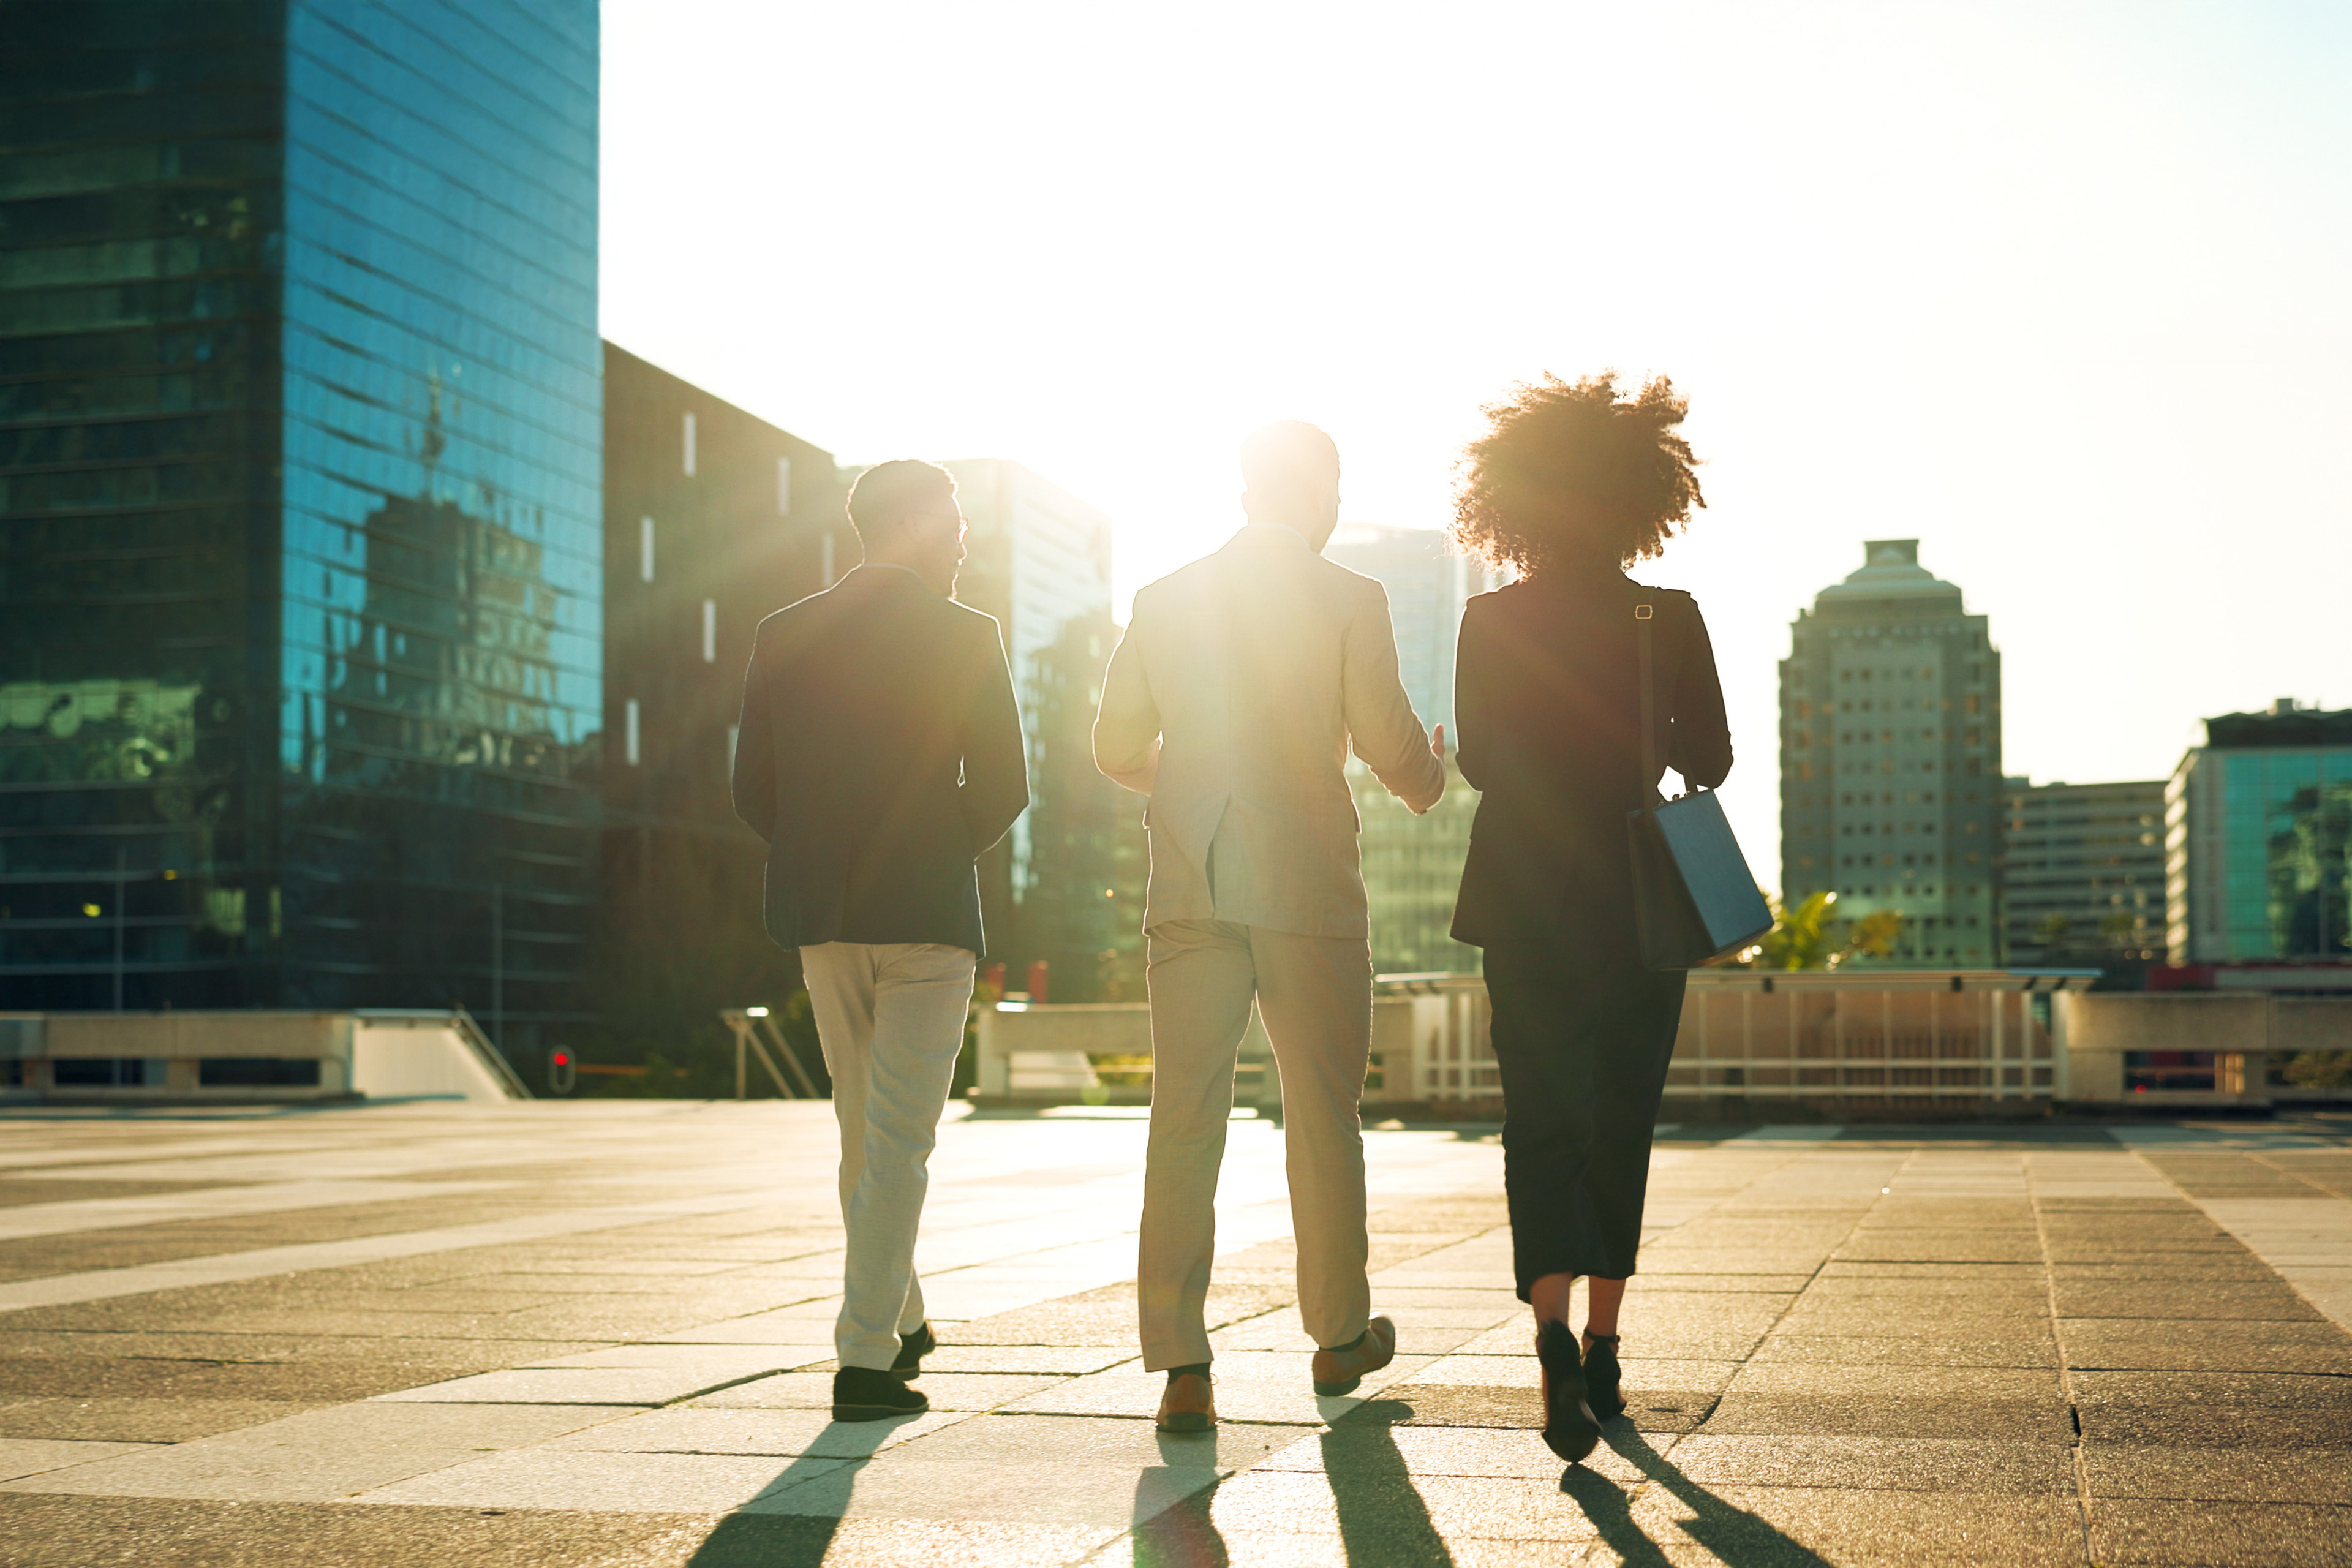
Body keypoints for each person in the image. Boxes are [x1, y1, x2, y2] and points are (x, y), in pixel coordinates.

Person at [1094, 421, 1447, 1432]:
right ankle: (1338, 1337)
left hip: (1193, 880)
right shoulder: (1349, 597)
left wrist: (1200, 780)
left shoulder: (1164, 599)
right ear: (1324, 494)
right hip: (1305, 883)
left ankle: (1183, 1370)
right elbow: (1385, 740)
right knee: (1321, 1113)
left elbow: (1115, 744)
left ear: (1247, 491)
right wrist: (1429, 777)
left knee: (1185, 1116)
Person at [1447, 374, 1732, 1463]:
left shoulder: (1487, 618)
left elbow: (1480, 760)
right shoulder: (1667, 617)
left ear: (1513, 499)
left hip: (1523, 896)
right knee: (1622, 1117)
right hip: (1635, 898)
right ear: (1636, 497)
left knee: (1540, 1122)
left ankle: (1552, 1342)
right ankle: (1608, 1354)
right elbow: (1708, 760)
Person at [731, 459, 1028, 1423]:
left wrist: (823, 850)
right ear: (907, 523)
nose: (963, 537)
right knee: (894, 1137)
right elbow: (1005, 784)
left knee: (866, 1129)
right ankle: (865, 1362)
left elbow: (753, 787)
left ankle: (901, 1317)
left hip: (825, 914)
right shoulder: (967, 635)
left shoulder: (784, 633)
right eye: (951, 521)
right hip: (929, 916)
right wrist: (936, 850)